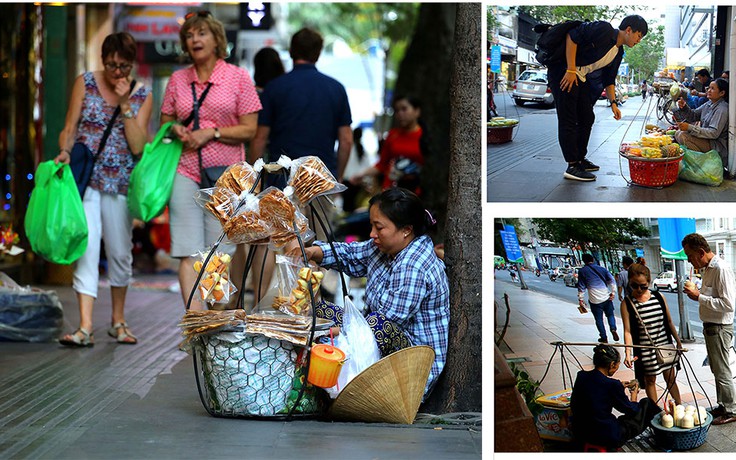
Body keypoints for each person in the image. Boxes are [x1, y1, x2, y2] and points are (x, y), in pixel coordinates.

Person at [295, 187, 449, 397]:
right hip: (373, 338)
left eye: (379, 228)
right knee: (319, 310)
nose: (372, 234)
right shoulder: (383, 248)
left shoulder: (415, 266)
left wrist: (335, 333)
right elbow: (350, 254)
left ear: (406, 230)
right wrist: (314, 252)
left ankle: (346, 383)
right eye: (371, 226)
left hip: (411, 369)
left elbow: (386, 323)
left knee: (379, 324)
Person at [54, 32, 153, 347]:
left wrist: (125, 103)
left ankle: (118, 321)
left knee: (120, 253)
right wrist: (65, 152)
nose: (116, 72)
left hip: (122, 183)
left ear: (131, 65)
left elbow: (138, 146)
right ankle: (85, 326)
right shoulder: (85, 82)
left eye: (123, 66)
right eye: (110, 64)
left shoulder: (142, 94)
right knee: (86, 249)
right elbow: (70, 127)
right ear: (102, 60)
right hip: (87, 180)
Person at [160, 11, 262, 309]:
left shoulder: (238, 77)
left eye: (201, 33)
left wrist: (212, 132)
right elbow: (165, 125)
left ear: (217, 39)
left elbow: (250, 128)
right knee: (187, 250)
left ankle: (216, 319)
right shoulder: (178, 79)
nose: (195, 39)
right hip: (185, 169)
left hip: (226, 176)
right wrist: (175, 128)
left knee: (221, 252)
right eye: (190, 35)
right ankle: (195, 323)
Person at [249, 27, 353, 300]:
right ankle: (310, 307)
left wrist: (254, 178)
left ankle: (262, 305)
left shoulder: (274, 88)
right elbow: (346, 140)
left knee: (271, 244)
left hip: (280, 182)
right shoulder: (336, 89)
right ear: (318, 53)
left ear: (292, 52)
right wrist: (335, 178)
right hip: (319, 181)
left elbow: (260, 139)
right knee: (314, 245)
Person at [547, 15, 648, 182]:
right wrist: (571, 70)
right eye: (639, 36)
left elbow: (609, 79)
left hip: (580, 76)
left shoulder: (618, 52)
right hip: (564, 71)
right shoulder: (604, 29)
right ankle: (572, 165)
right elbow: (572, 35)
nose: (639, 41)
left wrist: (614, 103)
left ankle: (580, 158)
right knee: (568, 119)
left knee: (587, 117)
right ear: (629, 30)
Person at [681, 233, 736, 425]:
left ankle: (731, 409)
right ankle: (723, 405)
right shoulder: (707, 269)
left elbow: (729, 304)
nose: (688, 259)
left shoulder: (721, 268)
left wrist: (699, 297)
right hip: (711, 327)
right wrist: (699, 294)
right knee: (716, 368)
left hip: (720, 327)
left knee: (722, 370)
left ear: (701, 251)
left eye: (689, 255)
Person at [571, 344, 661, 449]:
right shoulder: (612, 385)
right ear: (612, 364)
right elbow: (631, 410)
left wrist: (619, 388)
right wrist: (634, 395)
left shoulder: (581, 375)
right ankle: (663, 434)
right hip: (604, 435)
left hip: (580, 431)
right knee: (647, 404)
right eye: (617, 366)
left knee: (615, 419)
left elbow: (588, 397)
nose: (616, 369)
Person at [620, 263, 682, 406]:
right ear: (629, 282)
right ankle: (653, 412)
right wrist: (628, 352)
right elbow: (627, 331)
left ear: (649, 282)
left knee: (671, 379)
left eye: (643, 286)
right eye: (634, 286)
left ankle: (679, 407)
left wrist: (678, 342)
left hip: (664, 345)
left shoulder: (659, 296)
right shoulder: (627, 303)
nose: (639, 290)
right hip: (645, 349)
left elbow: (669, 321)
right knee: (650, 381)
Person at [350, 96, 427, 195]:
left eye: (404, 109)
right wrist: (361, 174)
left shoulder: (425, 136)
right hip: (391, 191)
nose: (400, 114)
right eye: (397, 110)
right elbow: (382, 164)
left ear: (417, 111)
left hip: (416, 192)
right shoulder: (392, 135)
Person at [672, 78, 729, 167]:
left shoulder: (722, 109)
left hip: (716, 145)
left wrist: (690, 128)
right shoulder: (709, 103)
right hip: (707, 140)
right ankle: (696, 162)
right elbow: (694, 115)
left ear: (722, 93)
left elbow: (714, 133)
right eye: (709, 88)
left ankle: (703, 164)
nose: (709, 90)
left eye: (713, 89)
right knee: (678, 133)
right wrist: (684, 107)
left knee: (683, 136)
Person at [577, 254, 619, 343]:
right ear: (593, 259)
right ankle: (613, 328)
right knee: (610, 315)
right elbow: (612, 280)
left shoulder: (582, 271)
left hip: (594, 300)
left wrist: (581, 298)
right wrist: (613, 292)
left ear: (583, 261)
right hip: (606, 297)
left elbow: (581, 286)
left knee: (599, 319)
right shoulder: (602, 269)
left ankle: (603, 337)